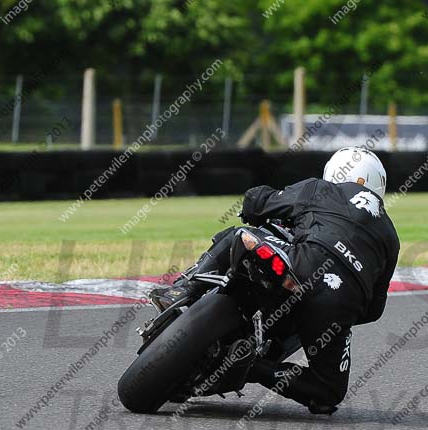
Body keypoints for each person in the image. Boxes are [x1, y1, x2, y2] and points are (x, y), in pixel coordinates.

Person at [150, 147, 400, 414]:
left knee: (240, 233)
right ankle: (254, 366)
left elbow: (257, 200)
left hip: (301, 265)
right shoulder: (391, 237)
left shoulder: (321, 190)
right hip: (337, 304)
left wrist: (252, 209)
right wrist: (336, 317)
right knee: (328, 392)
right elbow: (374, 310)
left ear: (334, 172)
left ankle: (183, 289)